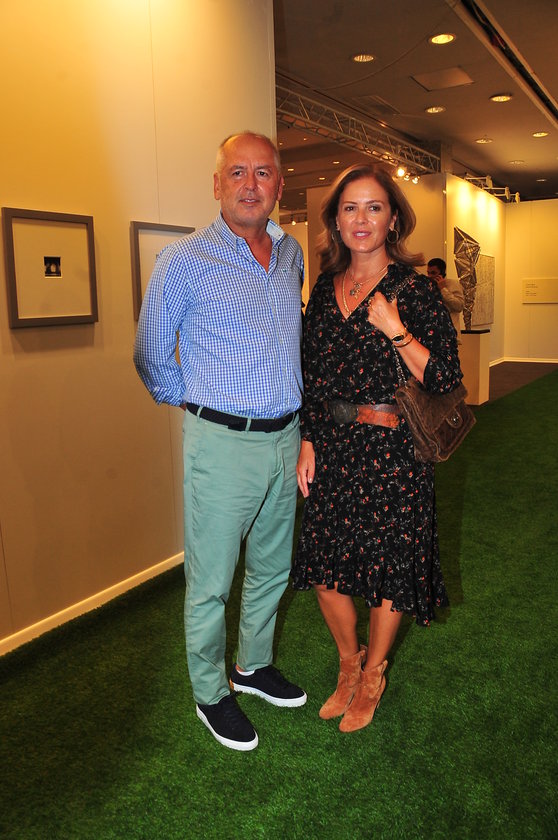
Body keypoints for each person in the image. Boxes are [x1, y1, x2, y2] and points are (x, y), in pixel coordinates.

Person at [134, 131, 307, 752]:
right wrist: (200, 405)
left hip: (286, 437)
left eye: (263, 173)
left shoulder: (291, 253)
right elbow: (151, 353)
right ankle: (211, 693)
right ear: (216, 185)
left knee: (272, 568)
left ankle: (252, 666)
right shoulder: (183, 260)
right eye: (237, 172)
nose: (250, 184)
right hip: (222, 444)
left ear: (279, 184)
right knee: (212, 582)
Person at [292, 163, 463, 733]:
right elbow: (312, 374)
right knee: (325, 568)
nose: (361, 219)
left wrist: (396, 329)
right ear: (336, 221)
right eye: (350, 208)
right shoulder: (324, 289)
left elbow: (444, 377)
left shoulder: (415, 291)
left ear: (393, 220)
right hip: (336, 448)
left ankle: (373, 675)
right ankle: (349, 662)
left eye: (373, 207)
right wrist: (309, 438)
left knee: (389, 570)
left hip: (395, 452)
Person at [426, 257, 464, 337]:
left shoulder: (453, 284)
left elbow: (459, 306)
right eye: (428, 273)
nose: (430, 276)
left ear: (442, 273)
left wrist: (443, 289)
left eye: (433, 273)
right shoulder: (427, 287)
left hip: (450, 334)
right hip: (431, 334)